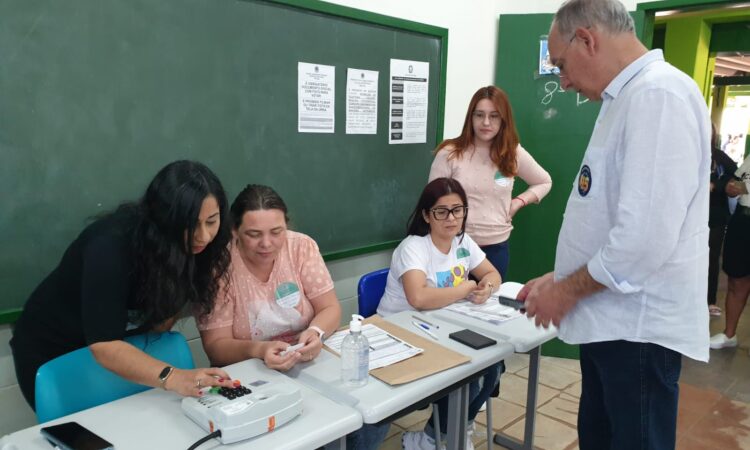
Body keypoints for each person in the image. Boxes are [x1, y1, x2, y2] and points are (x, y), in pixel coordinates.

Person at [519, 1, 711, 449]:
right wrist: (559, 278)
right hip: (610, 322)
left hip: (636, 333)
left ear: (587, 39)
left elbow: (642, 242)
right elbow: (605, 215)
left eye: (562, 65)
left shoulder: (658, 96)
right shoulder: (626, 97)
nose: (562, 81)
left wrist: (564, 293)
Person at [10, 160, 237, 409]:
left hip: (119, 347)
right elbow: (104, 346)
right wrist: (173, 376)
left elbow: (163, 313)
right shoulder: (109, 246)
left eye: (211, 221)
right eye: (190, 224)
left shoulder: (198, 243)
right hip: (54, 347)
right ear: (163, 218)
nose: (203, 236)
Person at [196, 184, 387, 450]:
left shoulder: (301, 247)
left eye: (277, 232)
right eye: (253, 234)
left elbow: (330, 308)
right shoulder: (219, 265)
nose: (267, 244)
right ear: (234, 231)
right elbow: (216, 346)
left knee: (369, 416)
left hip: (309, 362)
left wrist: (316, 333)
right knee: (322, 434)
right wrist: (260, 349)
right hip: (251, 374)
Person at [428, 85, 552, 407]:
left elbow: (545, 180)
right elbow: (433, 201)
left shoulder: (511, 153)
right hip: (455, 251)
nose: (485, 123)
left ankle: (469, 408)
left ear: (503, 120)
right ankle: (452, 412)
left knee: (489, 336)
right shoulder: (450, 154)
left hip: (495, 252)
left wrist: (519, 202)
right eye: (479, 115)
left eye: (493, 116)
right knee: (454, 334)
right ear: (471, 117)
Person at [377, 177, 502, 450]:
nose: (451, 218)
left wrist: (486, 288)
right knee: (467, 374)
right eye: (441, 211)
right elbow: (418, 298)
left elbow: (493, 274)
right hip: (402, 332)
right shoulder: (414, 247)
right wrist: (466, 286)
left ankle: (445, 432)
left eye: (458, 210)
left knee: (492, 369)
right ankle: (438, 436)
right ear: (426, 215)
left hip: (442, 327)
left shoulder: (464, 241)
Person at [710, 156, 750, 348]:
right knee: (736, 278)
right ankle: (729, 334)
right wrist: (730, 186)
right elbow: (734, 177)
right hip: (743, 219)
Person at [708, 123, 738, 317]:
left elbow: (735, 175)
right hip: (687, 216)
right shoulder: (684, 153)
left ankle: (709, 300)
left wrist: (716, 185)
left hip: (715, 216)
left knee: (711, 259)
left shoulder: (719, 157)